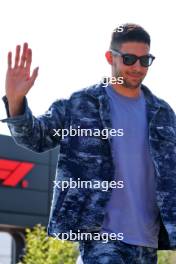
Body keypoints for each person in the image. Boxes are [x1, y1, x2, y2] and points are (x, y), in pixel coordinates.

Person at [1, 23, 176, 264]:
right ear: (110, 58)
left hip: (147, 242)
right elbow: (35, 137)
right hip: (101, 238)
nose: (137, 67)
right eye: (129, 59)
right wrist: (16, 100)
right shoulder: (81, 104)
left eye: (145, 60)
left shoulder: (163, 113)